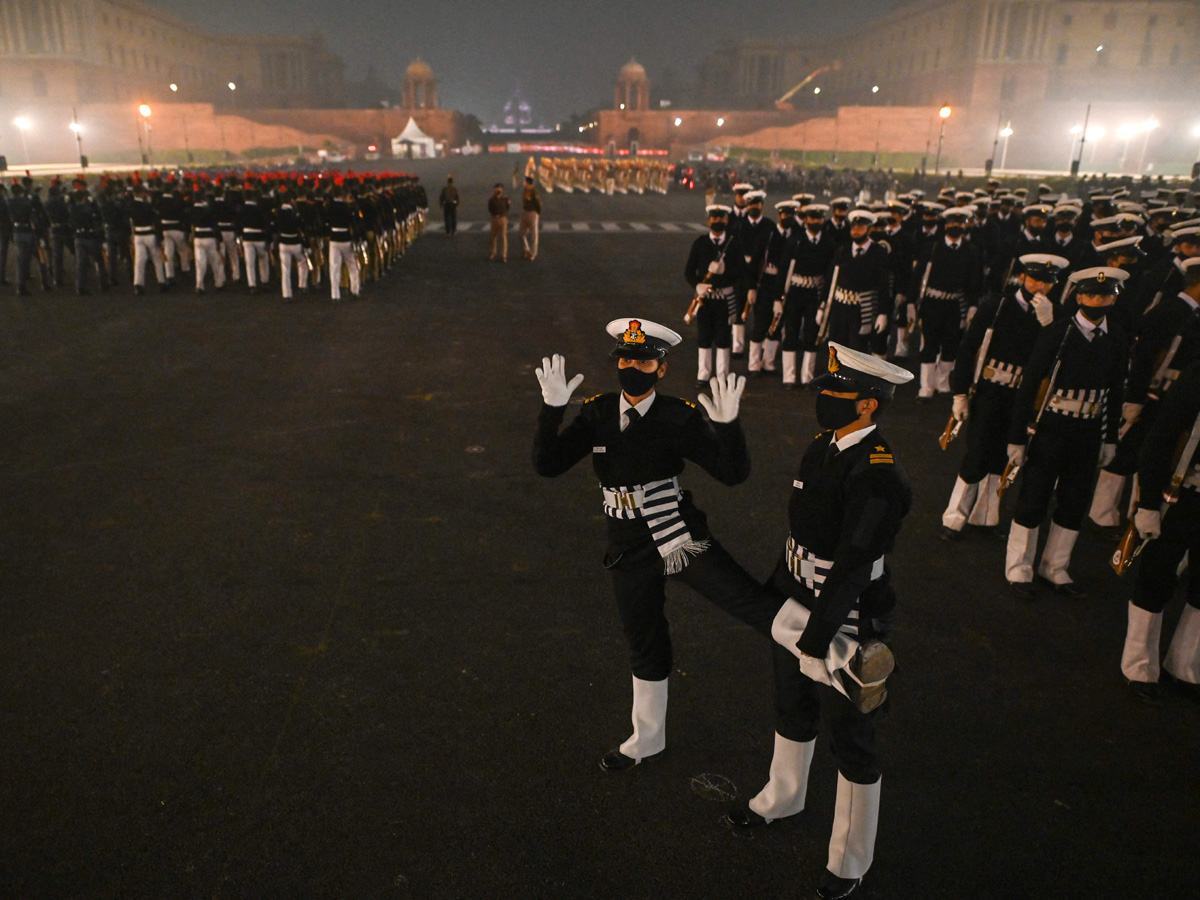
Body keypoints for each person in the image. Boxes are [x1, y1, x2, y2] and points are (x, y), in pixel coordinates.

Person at [531, 320, 779, 773]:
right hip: (626, 542)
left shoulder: (678, 416)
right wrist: (551, 410)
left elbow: (731, 474)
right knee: (642, 637)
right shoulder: (598, 412)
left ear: (661, 369)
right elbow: (548, 465)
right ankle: (647, 738)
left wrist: (728, 427)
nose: (632, 367)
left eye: (643, 361)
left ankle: (835, 653)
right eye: (625, 360)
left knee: (744, 598)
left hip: (675, 533)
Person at [725, 342, 913, 900]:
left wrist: (817, 636)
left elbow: (854, 566)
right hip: (798, 591)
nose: (825, 401)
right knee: (791, 702)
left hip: (846, 612)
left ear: (868, 407)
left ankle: (851, 857)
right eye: (825, 390)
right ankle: (784, 796)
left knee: (850, 732)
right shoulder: (824, 446)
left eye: (839, 395)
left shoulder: (878, 474)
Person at [1004, 267, 1130, 598]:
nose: (1099, 301)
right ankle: (1019, 567)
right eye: (1092, 295)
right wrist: (1017, 436)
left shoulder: (1116, 336)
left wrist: (1111, 438)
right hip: (1053, 426)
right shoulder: (1058, 332)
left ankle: (1055, 566)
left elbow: (1116, 389)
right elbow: (1029, 385)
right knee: (1035, 496)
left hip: (1089, 429)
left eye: (1106, 295)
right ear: (1079, 297)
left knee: (1075, 500)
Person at [940, 254, 1065, 539]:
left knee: (1004, 456)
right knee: (977, 452)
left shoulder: (1055, 315)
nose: (1040, 287)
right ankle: (954, 517)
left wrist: (1050, 325)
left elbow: (1058, 358)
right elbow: (968, 348)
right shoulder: (997, 306)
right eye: (1034, 279)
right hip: (990, 390)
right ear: (1022, 278)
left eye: (1047, 282)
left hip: (1025, 396)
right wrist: (959, 392)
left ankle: (985, 516)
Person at [1121, 357, 1200, 705]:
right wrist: (1148, 503)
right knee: (1157, 574)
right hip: (1184, 494)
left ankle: (1184, 665)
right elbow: (1160, 439)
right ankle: (1139, 663)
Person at [908, 208, 985, 399]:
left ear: (965, 225)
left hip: (954, 304)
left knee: (951, 344)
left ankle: (942, 383)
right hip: (932, 303)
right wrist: (911, 302)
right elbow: (917, 278)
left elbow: (974, 281)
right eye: (951, 223)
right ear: (946, 225)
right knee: (929, 344)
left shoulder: (970, 250)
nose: (955, 227)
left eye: (959, 224)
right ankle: (925, 387)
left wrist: (973, 305)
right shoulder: (932, 248)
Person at [684, 205, 750, 384]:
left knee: (723, 338)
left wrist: (725, 270)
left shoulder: (734, 244)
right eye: (714, 218)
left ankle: (722, 376)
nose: (718, 221)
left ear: (727, 221)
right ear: (708, 221)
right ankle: (703, 375)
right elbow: (689, 271)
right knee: (704, 337)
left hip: (724, 300)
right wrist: (697, 285)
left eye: (721, 218)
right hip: (705, 299)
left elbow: (742, 272)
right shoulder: (700, 243)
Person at [518, 176, 542, 260]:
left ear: (528, 183)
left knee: (534, 235)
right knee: (521, 234)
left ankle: (533, 253)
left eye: (525, 182)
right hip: (525, 212)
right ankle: (526, 249)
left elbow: (538, 204)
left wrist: (537, 213)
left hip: (532, 213)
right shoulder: (525, 190)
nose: (523, 183)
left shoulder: (534, 192)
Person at [487, 184, 510, 262]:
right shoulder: (491, 199)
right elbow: (489, 208)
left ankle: (504, 255)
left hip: (502, 218)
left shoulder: (505, 199)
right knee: (493, 236)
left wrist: (503, 214)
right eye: (496, 189)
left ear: (502, 190)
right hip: (494, 218)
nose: (497, 191)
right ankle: (492, 252)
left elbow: (507, 207)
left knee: (503, 237)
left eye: (499, 189)